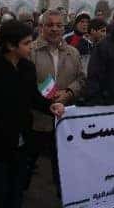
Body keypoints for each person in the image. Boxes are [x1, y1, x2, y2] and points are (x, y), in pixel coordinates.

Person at [0, 20, 65, 208]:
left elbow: (33, 97)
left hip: (22, 141)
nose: (30, 47)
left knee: (16, 192)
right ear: (10, 45)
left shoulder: (27, 67)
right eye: (26, 43)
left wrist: (51, 107)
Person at [28, 10, 86, 195]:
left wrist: (69, 92)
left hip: (64, 121)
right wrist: (44, 98)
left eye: (59, 25)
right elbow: (24, 82)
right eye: (50, 25)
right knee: (25, 168)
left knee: (62, 170)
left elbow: (81, 79)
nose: (55, 29)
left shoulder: (73, 52)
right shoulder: (30, 51)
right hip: (36, 120)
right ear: (41, 27)